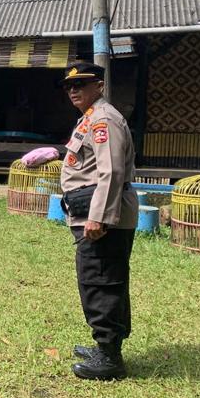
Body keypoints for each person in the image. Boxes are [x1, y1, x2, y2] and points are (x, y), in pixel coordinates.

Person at [59, 61, 138, 381]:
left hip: (103, 217)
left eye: (81, 84)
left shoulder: (103, 119)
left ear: (100, 86)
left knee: (101, 281)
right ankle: (106, 345)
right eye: (69, 86)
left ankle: (109, 357)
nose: (73, 90)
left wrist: (99, 217)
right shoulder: (91, 117)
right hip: (92, 211)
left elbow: (112, 171)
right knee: (103, 277)